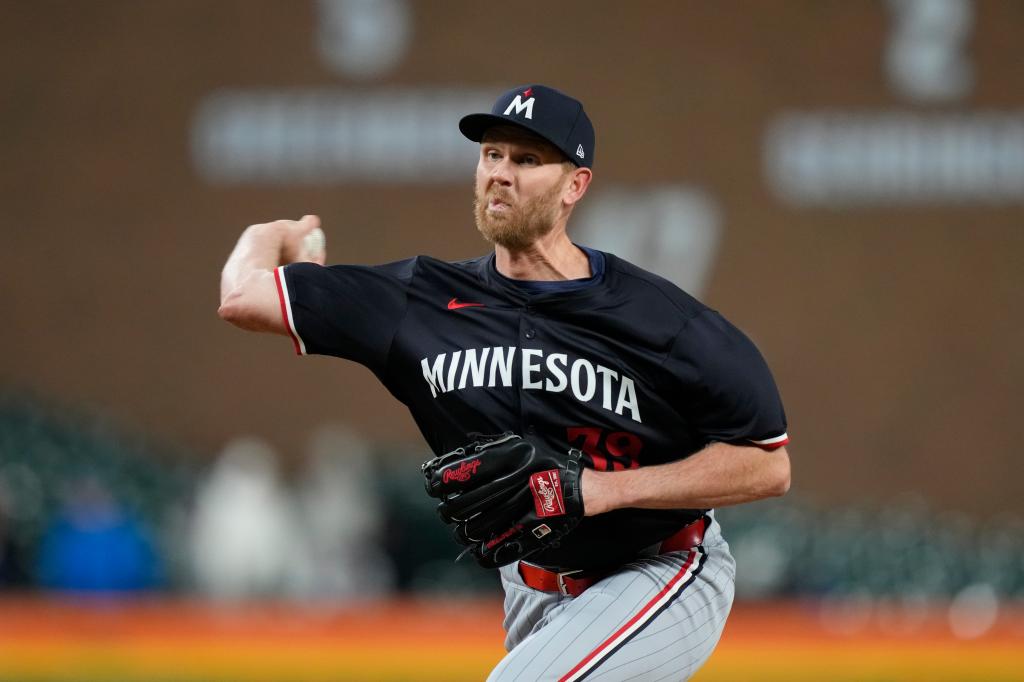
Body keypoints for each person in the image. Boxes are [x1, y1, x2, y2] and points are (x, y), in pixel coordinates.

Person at [219, 84, 791, 681]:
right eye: (492, 155)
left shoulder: (661, 320)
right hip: (530, 583)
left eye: (526, 160)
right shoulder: (417, 301)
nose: (501, 174)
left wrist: (601, 490)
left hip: (659, 568)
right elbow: (240, 297)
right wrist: (269, 234)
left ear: (576, 186)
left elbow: (768, 465)